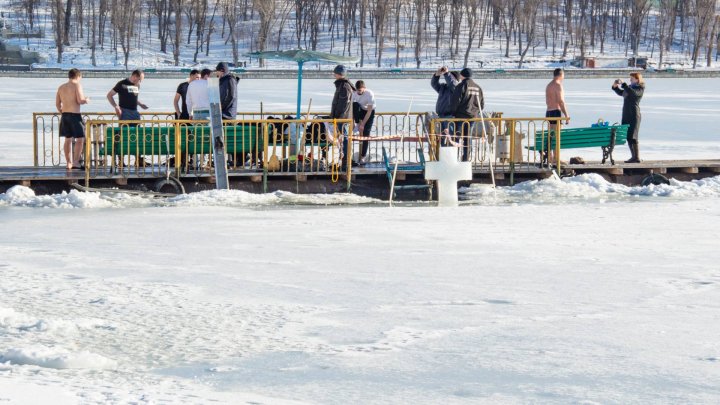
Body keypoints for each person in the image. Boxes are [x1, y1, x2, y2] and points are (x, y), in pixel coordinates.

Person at [55, 68, 90, 170]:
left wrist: (63, 112)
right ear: (78, 76)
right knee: (80, 139)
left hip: (65, 115)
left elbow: (57, 104)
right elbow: (80, 100)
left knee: (68, 139)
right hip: (75, 115)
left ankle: (68, 163)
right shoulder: (77, 85)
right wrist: (86, 100)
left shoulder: (61, 87)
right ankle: (75, 162)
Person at [450, 67, 483, 161]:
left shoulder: (461, 86)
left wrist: (453, 112)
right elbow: (482, 104)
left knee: (456, 137)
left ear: (462, 75)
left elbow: (455, 101)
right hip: (472, 117)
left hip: (460, 117)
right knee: (468, 138)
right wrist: (475, 112)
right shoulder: (478, 87)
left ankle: (454, 158)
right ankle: (466, 159)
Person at [612, 72, 645, 163]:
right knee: (628, 136)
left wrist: (624, 85)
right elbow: (621, 93)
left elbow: (633, 93)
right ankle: (633, 157)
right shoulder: (630, 88)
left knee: (633, 136)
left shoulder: (640, 88)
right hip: (626, 114)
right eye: (630, 78)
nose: (630, 80)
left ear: (638, 79)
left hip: (634, 115)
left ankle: (636, 157)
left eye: (632, 78)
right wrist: (615, 86)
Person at [330, 64, 356, 167]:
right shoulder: (341, 85)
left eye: (335, 73)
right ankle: (344, 158)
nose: (334, 75)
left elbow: (344, 104)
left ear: (339, 74)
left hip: (343, 118)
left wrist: (339, 117)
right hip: (341, 118)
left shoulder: (344, 86)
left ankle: (346, 159)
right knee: (342, 138)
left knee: (344, 138)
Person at [545, 68, 570, 164]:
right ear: (561, 75)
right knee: (557, 136)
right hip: (556, 111)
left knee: (550, 135)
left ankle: (550, 157)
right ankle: (556, 157)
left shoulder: (549, 85)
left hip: (548, 112)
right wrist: (566, 115)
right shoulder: (558, 85)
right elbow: (561, 101)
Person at [431, 66, 460, 144]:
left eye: (450, 76)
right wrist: (437, 75)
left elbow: (452, 83)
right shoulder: (443, 87)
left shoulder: (457, 87)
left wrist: (447, 73)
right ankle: (443, 154)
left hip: (450, 117)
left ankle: (451, 154)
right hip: (440, 117)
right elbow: (434, 84)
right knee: (442, 139)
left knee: (450, 138)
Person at [352, 80, 376, 164]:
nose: (359, 92)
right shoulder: (354, 93)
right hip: (360, 110)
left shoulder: (369, 94)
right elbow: (351, 110)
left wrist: (363, 124)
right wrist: (355, 123)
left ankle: (363, 156)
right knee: (354, 105)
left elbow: (369, 111)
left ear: (364, 89)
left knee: (366, 134)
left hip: (369, 112)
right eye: (358, 90)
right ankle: (357, 124)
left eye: (360, 91)